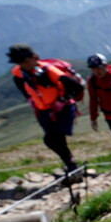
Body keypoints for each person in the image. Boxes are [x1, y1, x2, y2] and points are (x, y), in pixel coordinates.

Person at [7, 43, 82, 177]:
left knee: (51, 139)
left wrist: (63, 100)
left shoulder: (50, 71)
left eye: (25, 61)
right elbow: (25, 92)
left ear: (35, 57)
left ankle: (72, 166)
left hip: (62, 109)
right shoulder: (18, 75)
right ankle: (72, 166)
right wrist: (33, 102)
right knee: (57, 140)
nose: (23, 65)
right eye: (19, 62)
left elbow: (77, 87)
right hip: (43, 112)